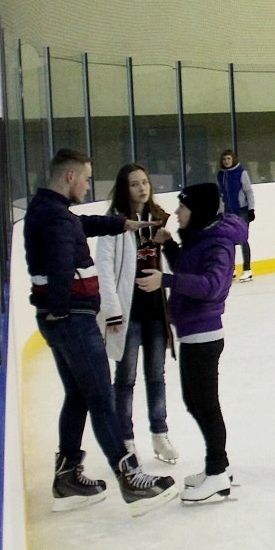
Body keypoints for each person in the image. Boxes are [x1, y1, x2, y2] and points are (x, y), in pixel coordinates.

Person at [24, 148, 178, 517]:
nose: (89, 184)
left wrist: (122, 225)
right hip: (72, 319)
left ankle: (68, 475)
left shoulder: (49, 210)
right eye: (87, 178)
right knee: (100, 396)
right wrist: (62, 311)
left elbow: (82, 225)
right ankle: (129, 476)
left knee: (78, 395)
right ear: (69, 177)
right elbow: (63, 261)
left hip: (60, 318)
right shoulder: (57, 220)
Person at [157, 182, 249, 502]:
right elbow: (187, 266)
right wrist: (168, 246)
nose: (177, 213)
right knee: (195, 402)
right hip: (192, 331)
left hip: (204, 333)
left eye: (182, 207)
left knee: (206, 405)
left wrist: (165, 280)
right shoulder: (201, 236)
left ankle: (217, 473)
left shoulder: (219, 243)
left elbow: (212, 286)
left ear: (197, 211)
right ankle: (217, 465)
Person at [96, 163, 177, 466]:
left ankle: (160, 433)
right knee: (125, 378)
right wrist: (113, 311)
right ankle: (125, 439)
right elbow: (104, 267)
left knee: (156, 376)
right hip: (128, 313)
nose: (142, 188)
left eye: (145, 182)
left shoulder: (158, 218)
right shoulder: (113, 223)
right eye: (134, 184)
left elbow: (168, 261)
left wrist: (165, 244)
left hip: (156, 309)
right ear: (123, 188)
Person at [216, 148, 257, 280]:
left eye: (228, 158)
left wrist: (251, 209)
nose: (226, 161)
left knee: (243, 239)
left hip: (241, 210)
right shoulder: (221, 175)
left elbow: (248, 191)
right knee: (228, 241)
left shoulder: (241, 172)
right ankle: (231, 268)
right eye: (224, 159)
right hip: (228, 212)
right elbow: (220, 195)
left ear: (233, 159)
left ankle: (247, 269)